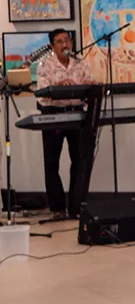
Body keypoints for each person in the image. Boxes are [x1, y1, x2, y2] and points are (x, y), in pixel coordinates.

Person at [34, 28, 93, 220]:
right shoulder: (45, 64)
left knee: (79, 161)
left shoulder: (80, 62)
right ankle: (57, 209)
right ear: (52, 46)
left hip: (76, 116)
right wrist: (60, 87)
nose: (64, 45)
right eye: (59, 42)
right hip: (54, 116)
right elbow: (42, 92)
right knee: (52, 164)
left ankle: (76, 208)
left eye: (67, 40)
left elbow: (89, 83)